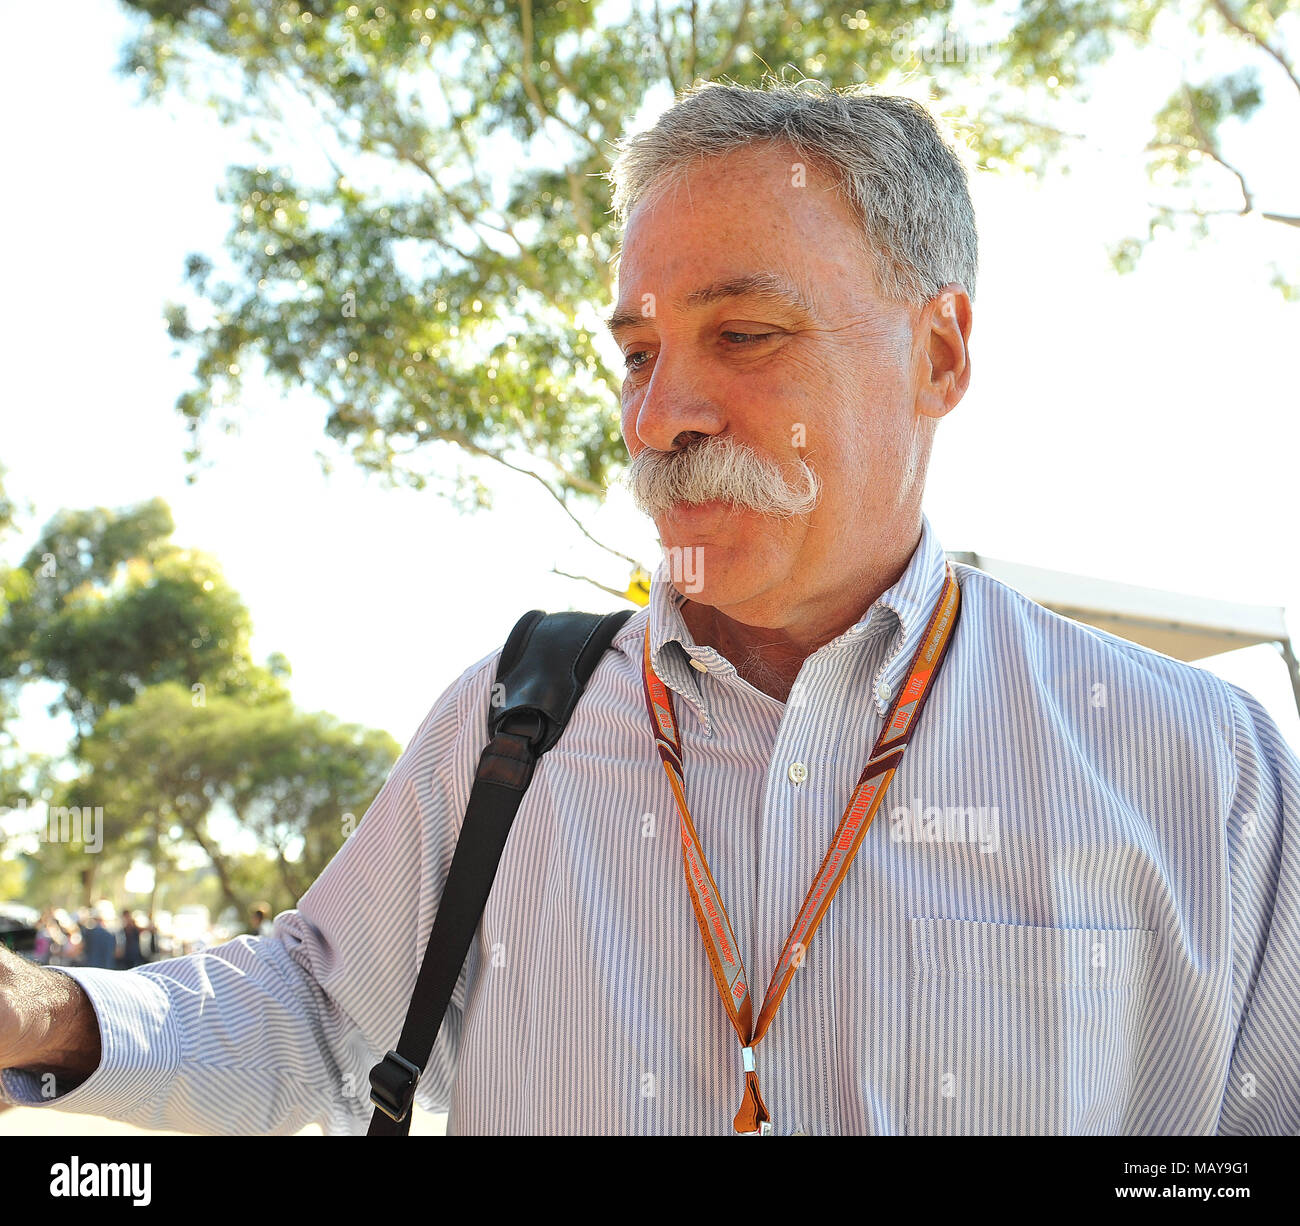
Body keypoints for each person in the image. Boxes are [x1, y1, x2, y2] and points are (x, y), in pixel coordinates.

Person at [1, 79, 1298, 1136]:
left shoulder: (1209, 775)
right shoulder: (514, 728)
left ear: (939, 354)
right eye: (637, 351)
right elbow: (318, 1020)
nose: (657, 414)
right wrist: (55, 1014)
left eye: (744, 334)